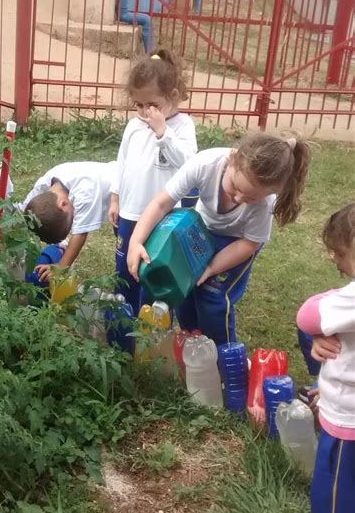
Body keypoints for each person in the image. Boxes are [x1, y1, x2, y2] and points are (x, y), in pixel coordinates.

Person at [127, 134, 310, 345]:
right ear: (232, 159)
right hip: (201, 229)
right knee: (184, 286)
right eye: (236, 187)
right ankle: (192, 345)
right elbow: (161, 203)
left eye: (251, 198)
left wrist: (211, 268)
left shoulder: (265, 203)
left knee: (212, 296)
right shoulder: (205, 163)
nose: (240, 199)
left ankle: (222, 357)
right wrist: (136, 241)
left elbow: (250, 243)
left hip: (237, 242)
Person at [283, 203, 355, 513]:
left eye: (341, 254)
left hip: (347, 432)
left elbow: (308, 315)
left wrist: (316, 324)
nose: (335, 261)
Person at [109, 48, 197, 313]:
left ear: (172, 97)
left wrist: (163, 133)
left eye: (153, 105)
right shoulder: (134, 126)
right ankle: (123, 315)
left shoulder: (182, 126)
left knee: (156, 267)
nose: (146, 112)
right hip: (130, 212)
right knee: (125, 267)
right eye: (139, 105)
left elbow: (187, 163)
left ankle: (153, 320)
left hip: (162, 216)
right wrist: (115, 197)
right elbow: (122, 161)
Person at [22, 160, 116, 283]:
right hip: (116, 186)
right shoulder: (44, 184)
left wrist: (61, 267)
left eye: (71, 220)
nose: (74, 222)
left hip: (130, 193)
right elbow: (24, 211)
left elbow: (80, 234)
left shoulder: (84, 194)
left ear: (63, 204)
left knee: (126, 244)